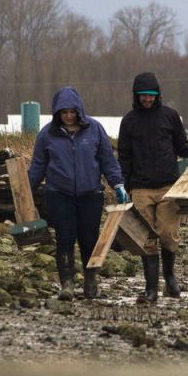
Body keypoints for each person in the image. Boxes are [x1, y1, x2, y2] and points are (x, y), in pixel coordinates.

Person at [28, 86, 128, 301]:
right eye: (64, 112)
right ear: (57, 113)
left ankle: (90, 280)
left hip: (90, 194)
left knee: (88, 239)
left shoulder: (95, 129)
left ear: (79, 111)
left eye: (72, 112)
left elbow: (107, 161)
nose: (69, 116)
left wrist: (118, 184)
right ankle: (67, 284)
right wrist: (25, 192)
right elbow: (38, 165)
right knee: (64, 238)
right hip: (58, 194)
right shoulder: (47, 134)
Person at [118, 71, 188, 304]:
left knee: (167, 233)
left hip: (168, 186)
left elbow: (181, 145)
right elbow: (124, 156)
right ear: (136, 96)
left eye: (151, 95)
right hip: (140, 188)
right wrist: (125, 185)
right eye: (143, 96)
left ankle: (170, 276)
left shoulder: (170, 116)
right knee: (147, 238)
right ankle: (151, 289)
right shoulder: (129, 121)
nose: (147, 99)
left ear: (157, 95)